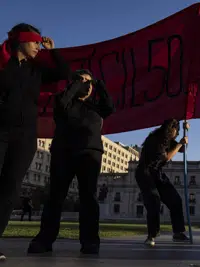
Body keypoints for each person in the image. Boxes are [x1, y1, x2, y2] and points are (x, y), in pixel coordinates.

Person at [0, 23, 69, 260]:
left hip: (25, 137)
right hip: (0, 132)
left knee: (10, 190)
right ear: (21, 41)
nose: (39, 47)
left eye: (41, 43)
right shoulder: (2, 65)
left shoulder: (36, 70)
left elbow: (63, 74)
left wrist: (53, 51)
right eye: (35, 42)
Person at [28, 69, 115, 255]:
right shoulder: (64, 100)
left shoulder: (96, 107)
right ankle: (44, 240)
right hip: (64, 152)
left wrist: (99, 84)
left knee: (88, 198)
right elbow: (60, 107)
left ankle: (90, 242)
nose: (87, 86)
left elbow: (110, 107)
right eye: (83, 82)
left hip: (90, 154)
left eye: (89, 83)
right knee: (55, 197)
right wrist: (76, 84)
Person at [135, 119, 190, 247]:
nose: (175, 135)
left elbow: (182, 149)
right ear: (170, 129)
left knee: (175, 200)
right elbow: (166, 157)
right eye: (175, 131)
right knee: (154, 201)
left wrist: (186, 134)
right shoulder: (155, 139)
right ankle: (151, 235)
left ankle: (178, 232)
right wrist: (179, 144)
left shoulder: (168, 140)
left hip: (157, 173)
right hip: (145, 173)